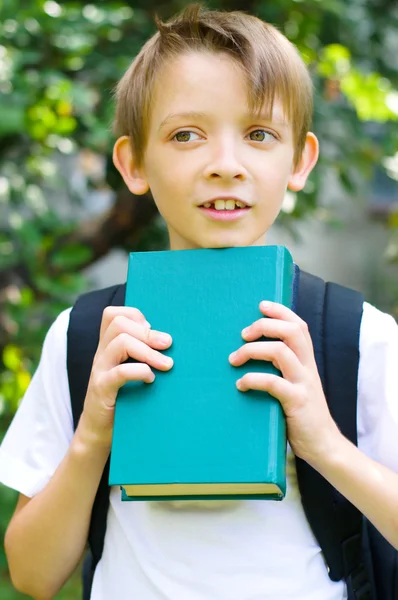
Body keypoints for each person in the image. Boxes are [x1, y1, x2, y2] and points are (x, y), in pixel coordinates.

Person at [1, 4, 398, 599]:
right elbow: (32, 576)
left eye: (259, 134)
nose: (226, 166)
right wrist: (92, 440)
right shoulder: (87, 335)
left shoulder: (356, 336)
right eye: (186, 135)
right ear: (134, 163)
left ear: (299, 161)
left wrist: (324, 444)